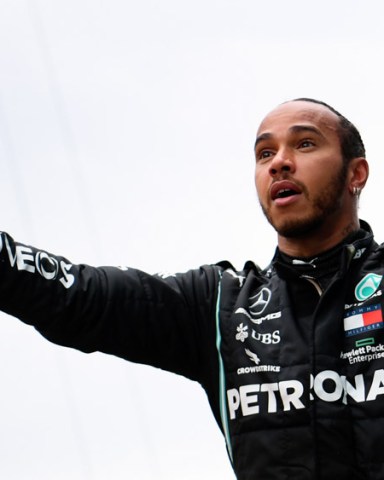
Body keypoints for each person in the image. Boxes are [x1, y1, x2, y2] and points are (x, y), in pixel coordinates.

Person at [0, 97, 381, 479]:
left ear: (356, 174)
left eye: (305, 144)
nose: (279, 162)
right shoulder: (221, 307)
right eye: (265, 153)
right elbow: (79, 296)